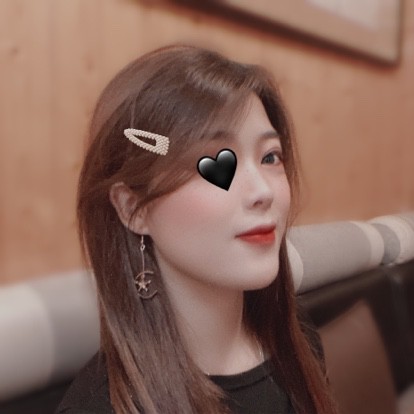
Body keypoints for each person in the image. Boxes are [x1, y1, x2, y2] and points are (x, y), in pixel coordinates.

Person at [55, 44, 339, 414]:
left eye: (270, 157)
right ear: (132, 208)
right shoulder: (100, 407)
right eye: (214, 162)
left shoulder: (298, 345)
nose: (263, 192)